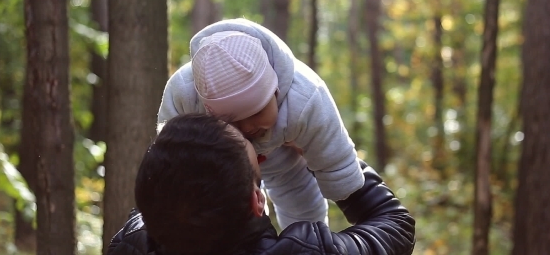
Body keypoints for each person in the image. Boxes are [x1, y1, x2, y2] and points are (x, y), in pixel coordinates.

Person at [107, 113, 416, 255]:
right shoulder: (304, 252)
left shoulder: (131, 244)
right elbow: (396, 225)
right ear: (258, 200)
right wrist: (325, 154)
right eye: (254, 150)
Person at [157, 18, 364, 228]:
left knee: (303, 213)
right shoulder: (184, 94)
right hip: (225, 168)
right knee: (230, 220)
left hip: (285, 161)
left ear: (275, 90)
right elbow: (172, 143)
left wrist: (342, 181)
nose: (247, 128)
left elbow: (329, 141)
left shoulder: (304, 97)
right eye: (231, 121)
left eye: (257, 111)